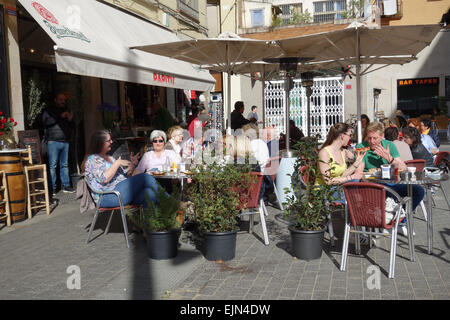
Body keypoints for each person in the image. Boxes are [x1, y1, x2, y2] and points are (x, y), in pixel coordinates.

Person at [356, 122, 425, 233]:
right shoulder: (362, 147)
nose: (372, 141)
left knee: (419, 191)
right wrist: (370, 174)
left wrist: (389, 158)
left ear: (382, 136)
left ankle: (399, 221)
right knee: (384, 192)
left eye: (375, 138)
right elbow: (359, 172)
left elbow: (403, 167)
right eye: (369, 138)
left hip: (390, 185)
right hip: (371, 186)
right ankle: (388, 220)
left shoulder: (389, 146)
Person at [84, 130, 161, 208]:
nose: (111, 142)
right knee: (144, 177)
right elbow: (104, 179)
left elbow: (124, 176)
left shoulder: (110, 158)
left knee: (150, 194)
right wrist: (117, 163)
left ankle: (150, 219)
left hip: (120, 192)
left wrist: (132, 165)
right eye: (109, 140)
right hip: (107, 196)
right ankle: (171, 204)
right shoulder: (93, 160)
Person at [41, 92, 75, 195]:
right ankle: (53, 188)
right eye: (61, 99)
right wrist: (60, 116)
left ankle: (66, 185)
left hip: (65, 141)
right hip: (53, 141)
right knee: (53, 165)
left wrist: (70, 120)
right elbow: (45, 122)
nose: (63, 102)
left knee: (64, 165)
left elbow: (71, 126)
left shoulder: (67, 110)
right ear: (55, 100)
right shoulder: (49, 110)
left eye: (64, 100)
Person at [316, 123, 365, 188]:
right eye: (350, 135)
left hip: (336, 188)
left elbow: (342, 176)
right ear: (342, 136)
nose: (350, 138)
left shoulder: (342, 151)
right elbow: (328, 181)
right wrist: (352, 177)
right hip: (324, 192)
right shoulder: (324, 153)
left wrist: (357, 162)